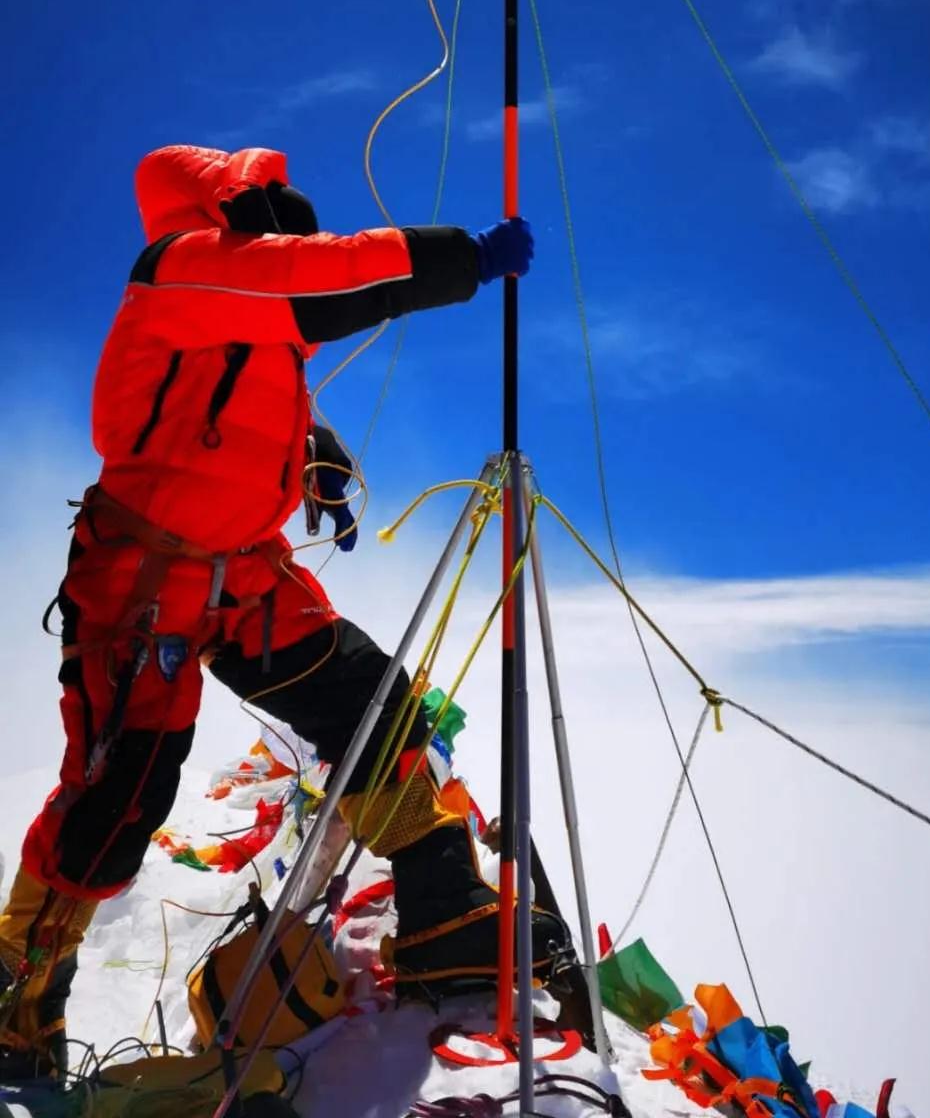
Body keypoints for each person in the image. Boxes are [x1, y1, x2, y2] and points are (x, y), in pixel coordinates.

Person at [0, 144, 565, 1080]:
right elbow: (318, 283)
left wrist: (317, 452)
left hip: (245, 575)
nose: (287, 223)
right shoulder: (177, 268)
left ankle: (447, 918)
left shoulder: (248, 312)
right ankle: (20, 1000)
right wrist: (464, 256)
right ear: (225, 207)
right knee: (118, 794)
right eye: (268, 208)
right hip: (144, 582)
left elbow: (252, 388)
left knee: (370, 702)